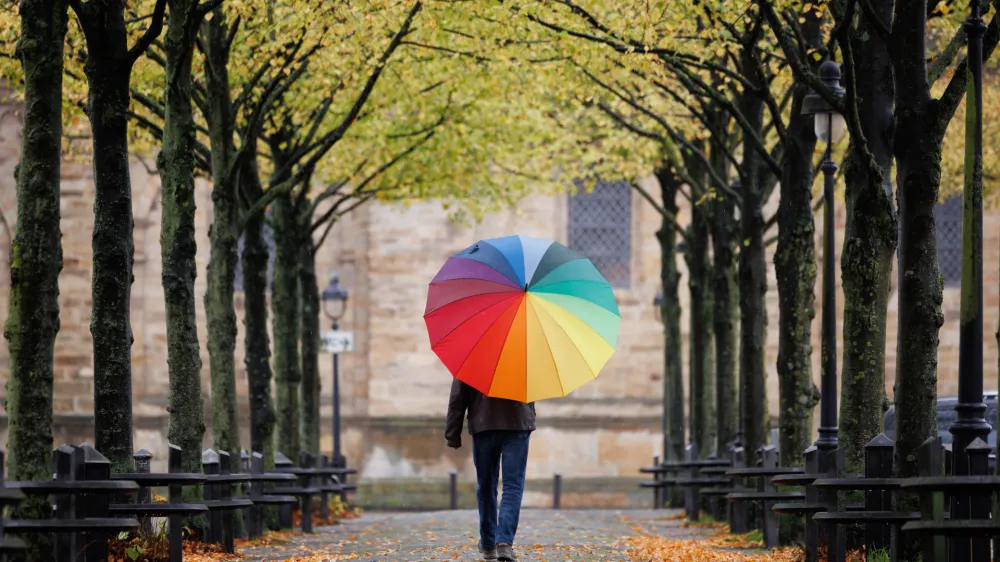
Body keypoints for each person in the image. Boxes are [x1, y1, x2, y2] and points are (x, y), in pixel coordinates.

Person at [445, 378, 535, 561]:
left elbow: (457, 396)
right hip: (518, 423)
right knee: (513, 486)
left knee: (486, 486)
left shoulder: (472, 352)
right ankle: (504, 543)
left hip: (484, 423)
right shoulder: (528, 352)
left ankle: (488, 543)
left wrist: (453, 433)